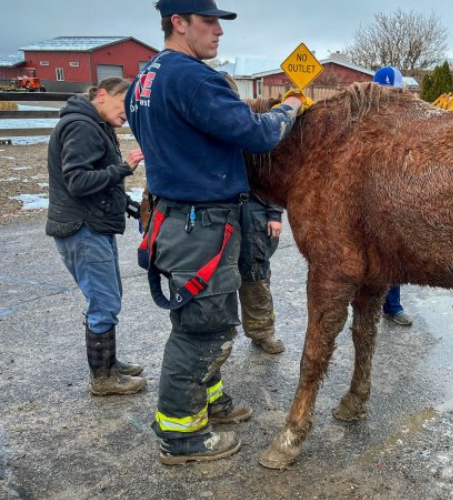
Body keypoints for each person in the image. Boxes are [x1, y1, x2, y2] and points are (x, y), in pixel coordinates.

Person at [126, 0, 305, 464]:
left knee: (209, 320)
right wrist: (288, 107)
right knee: (202, 330)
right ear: (178, 23)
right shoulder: (190, 77)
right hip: (198, 223)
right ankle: (181, 435)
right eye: (208, 22)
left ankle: (209, 401)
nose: (218, 32)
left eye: (219, 23)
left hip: (175, 217)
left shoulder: (146, 77)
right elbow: (258, 133)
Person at [46, 78, 147, 396]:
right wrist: (125, 167)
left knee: (108, 296)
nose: (127, 115)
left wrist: (130, 206)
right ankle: (102, 379)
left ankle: (109, 363)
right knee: (103, 301)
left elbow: (97, 183)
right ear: (102, 95)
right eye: (123, 105)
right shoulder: (83, 126)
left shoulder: (94, 124)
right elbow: (77, 181)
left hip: (93, 224)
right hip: (82, 228)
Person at [219, 71, 286, 353]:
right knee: (220, 275)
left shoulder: (250, 124)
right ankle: (222, 331)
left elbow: (273, 174)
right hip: (218, 211)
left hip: (254, 209)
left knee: (255, 272)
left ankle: (261, 331)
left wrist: (274, 213)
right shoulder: (200, 126)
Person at [373, 66, 414, 327]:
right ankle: (363, 305)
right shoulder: (363, 118)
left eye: (394, 91)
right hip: (368, 194)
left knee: (393, 253)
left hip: (396, 194)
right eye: (384, 91)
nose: (389, 96)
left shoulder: (408, 120)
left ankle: (392, 306)